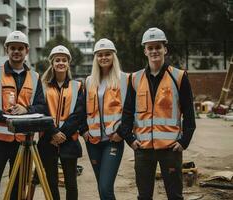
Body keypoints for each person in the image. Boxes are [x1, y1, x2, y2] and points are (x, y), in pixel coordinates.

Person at [118, 27, 196, 200]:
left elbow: (189, 114)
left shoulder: (179, 77)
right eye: (150, 47)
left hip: (171, 148)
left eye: (158, 47)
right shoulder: (135, 79)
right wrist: (130, 139)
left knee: (175, 196)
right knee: (144, 196)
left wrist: (184, 142)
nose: (154, 51)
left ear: (165, 49)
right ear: (145, 50)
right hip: (143, 149)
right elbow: (127, 113)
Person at [0, 31, 51, 200]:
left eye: (20, 48)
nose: (16, 51)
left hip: (23, 142)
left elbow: (42, 106)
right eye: (13, 48)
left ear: (26, 51)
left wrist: (27, 109)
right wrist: (5, 116)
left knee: (18, 189)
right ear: (7, 50)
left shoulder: (35, 78)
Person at [80, 38, 129, 200]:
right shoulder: (89, 81)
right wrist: (84, 131)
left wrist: (121, 133)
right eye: (100, 55)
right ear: (96, 58)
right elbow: (82, 109)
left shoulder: (124, 79)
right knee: (101, 188)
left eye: (107, 54)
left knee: (105, 187)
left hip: (112, 140)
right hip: (93, 141)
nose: (103, 58)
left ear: (113, 56)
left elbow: (130, 111)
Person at [38, 45, 84, 200]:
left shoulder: (77, 86)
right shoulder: (43, 86)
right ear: (52, 63)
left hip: (69, 140)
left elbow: (78, 114)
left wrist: (62, 133)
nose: (60, 63)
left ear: (68, 63)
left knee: (71, 183)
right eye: (57, 60)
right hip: (47, 140)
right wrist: (54, 132)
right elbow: (41, 110)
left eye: (64, 60)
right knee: (51, 182)